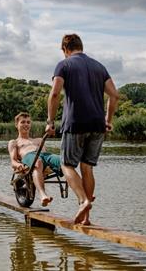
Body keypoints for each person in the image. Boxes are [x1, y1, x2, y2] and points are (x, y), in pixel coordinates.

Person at [45, 33, 119, 225]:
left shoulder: (64, 65)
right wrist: (107, 120)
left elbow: (54, 95)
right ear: (81, 46)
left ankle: (83, 201)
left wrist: (50, 122)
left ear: (65, 49)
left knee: (66, 164)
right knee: (87, 167)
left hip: (75, 123)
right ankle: (86, 218)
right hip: (97, 125)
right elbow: (115, 95)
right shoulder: (99, 66)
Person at [8, 112, 63, 207]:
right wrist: (18, 165)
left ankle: (82, 194)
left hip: (43, 156)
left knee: (65, 161)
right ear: (16, 125)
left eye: (28, 122)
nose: (26, 124)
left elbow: (45, 155)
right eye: (23, 122)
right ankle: (42, 195)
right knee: (38, 161)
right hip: (29, 158)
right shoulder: (14, 142)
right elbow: (13, 161)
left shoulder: (38, 140)